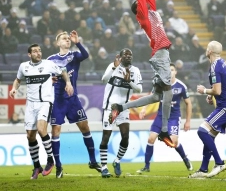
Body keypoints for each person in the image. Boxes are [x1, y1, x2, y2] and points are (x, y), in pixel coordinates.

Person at [109, 0, 174, 148]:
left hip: (161, 53)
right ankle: (164, 130)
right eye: (139, 3)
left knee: (156, 96)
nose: (143, 1)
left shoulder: (152, 10)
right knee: (169, 93)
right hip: (161, 53)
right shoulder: (144, 17)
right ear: (137, 10)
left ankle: (120, 107)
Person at [9, 44, 74, 179]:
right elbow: (18, 80)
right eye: (35, 51)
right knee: (30, 136)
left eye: (39, 50)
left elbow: (63, 71)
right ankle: (37, 166)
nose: (38, 53)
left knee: (41, 128)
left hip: (45, 101)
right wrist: (14, 88)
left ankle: (50, 160)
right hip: (30, 104)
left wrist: (67, 82)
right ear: (29, 54)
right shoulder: (23, 66)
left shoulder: (48, 64)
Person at [47, 31, 101, 178]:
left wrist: (78, 42)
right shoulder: (51, 59)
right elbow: (45, 77)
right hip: (58, 100)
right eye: (64, 39)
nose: (67, 40)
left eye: (68, 39)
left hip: (73, 99)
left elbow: (86, 56)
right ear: (58, 43)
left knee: (85, 127)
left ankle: (93, 160)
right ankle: (58, 166)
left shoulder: (74, 55)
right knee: (56, 131)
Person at [189, 40, 226, 178]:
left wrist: (205, 91)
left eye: (207, 47)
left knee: (202, 131)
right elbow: (220, 88)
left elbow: (218, 90)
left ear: (209, 51)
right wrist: (211, 95)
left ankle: (219, 163)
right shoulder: (222, 63)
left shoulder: (215, 66)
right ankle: (203, 169)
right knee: (209, 136)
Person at [136, 63, 193, 173]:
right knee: (151, 138)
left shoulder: (181, 86)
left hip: (173, 117)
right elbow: (151, 97)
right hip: (161, 116)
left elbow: (188, 104)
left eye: (172, 70)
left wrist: (188, 121)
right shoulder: (160, 84)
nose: (170, 72)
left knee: (174, 142)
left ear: (175, 72)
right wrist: (144, 109)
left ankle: (186, 159)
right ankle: (146, 166)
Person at [100, 48, 142, 178]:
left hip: (123, 108)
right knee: (106, 137)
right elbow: (103, 80)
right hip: (110, 108)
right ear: (120, 56)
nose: (128, 56)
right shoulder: (113, 67)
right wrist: (113, 67)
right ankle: (104, 167)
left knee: (125, 137)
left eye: (130, 55)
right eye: (126, 55)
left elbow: (139, 89)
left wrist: (129, 81)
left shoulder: (135, 71)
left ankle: (117, 161)